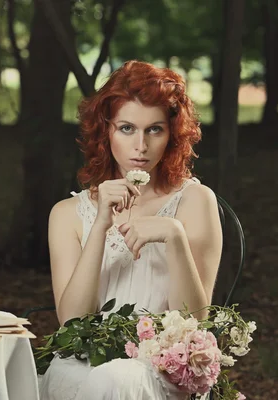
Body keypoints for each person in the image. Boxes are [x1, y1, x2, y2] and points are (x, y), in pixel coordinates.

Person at [39, 60, 224, 400]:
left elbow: (197, 322)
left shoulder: (196, 201)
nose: (141, 145)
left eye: (154, 129)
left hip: (164, 370)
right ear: (105, 131)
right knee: (64, 374)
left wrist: (174, 236)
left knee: (117, 379)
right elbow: (71, 322)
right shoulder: (66, 214)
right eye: (126, 128)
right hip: (87, 359)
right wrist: (99, 227)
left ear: (171, 135)